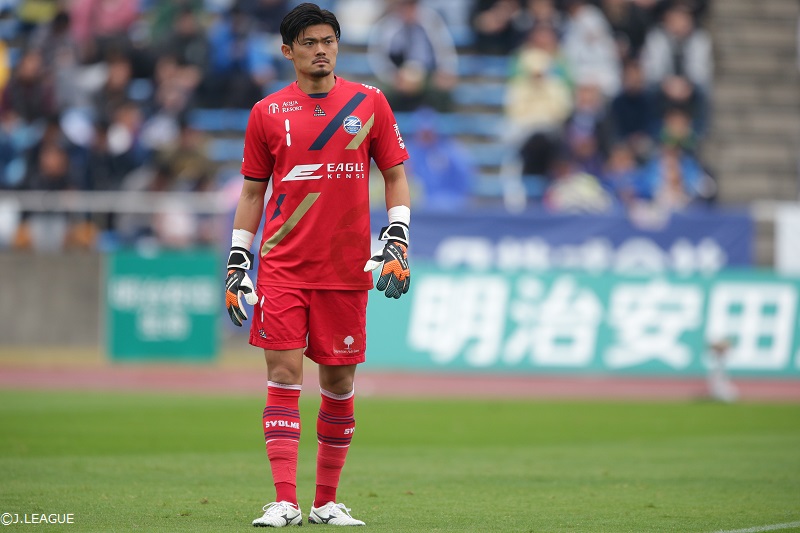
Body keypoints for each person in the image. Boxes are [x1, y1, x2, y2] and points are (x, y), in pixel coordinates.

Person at [224, 3, 411, 527]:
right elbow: (252, 192)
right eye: (309, 42)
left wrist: (398, 234)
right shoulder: (266, 112)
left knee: (339, 384)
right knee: (284, 375)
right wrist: (238, 257)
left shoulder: (370, 102)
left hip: (346, 269)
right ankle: (285, 500)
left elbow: (395, 176)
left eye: (328, 40)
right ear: (288, 51)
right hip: (282, 266)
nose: (321, 49)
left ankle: (326, 502)